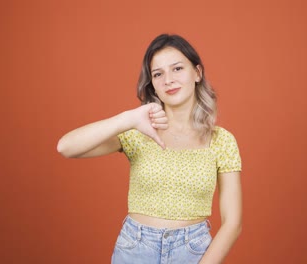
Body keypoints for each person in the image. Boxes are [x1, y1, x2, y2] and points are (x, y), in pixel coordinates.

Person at [57, 34, 242, 264]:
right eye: (158, 74)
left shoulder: (222, 141)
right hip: (135, 250)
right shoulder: (138, 132)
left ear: (197, 73)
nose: (168, 80)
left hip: (194, 254)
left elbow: (233, 222)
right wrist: (128, 118)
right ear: (152, 83)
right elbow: (66, 147)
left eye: (177, 69)